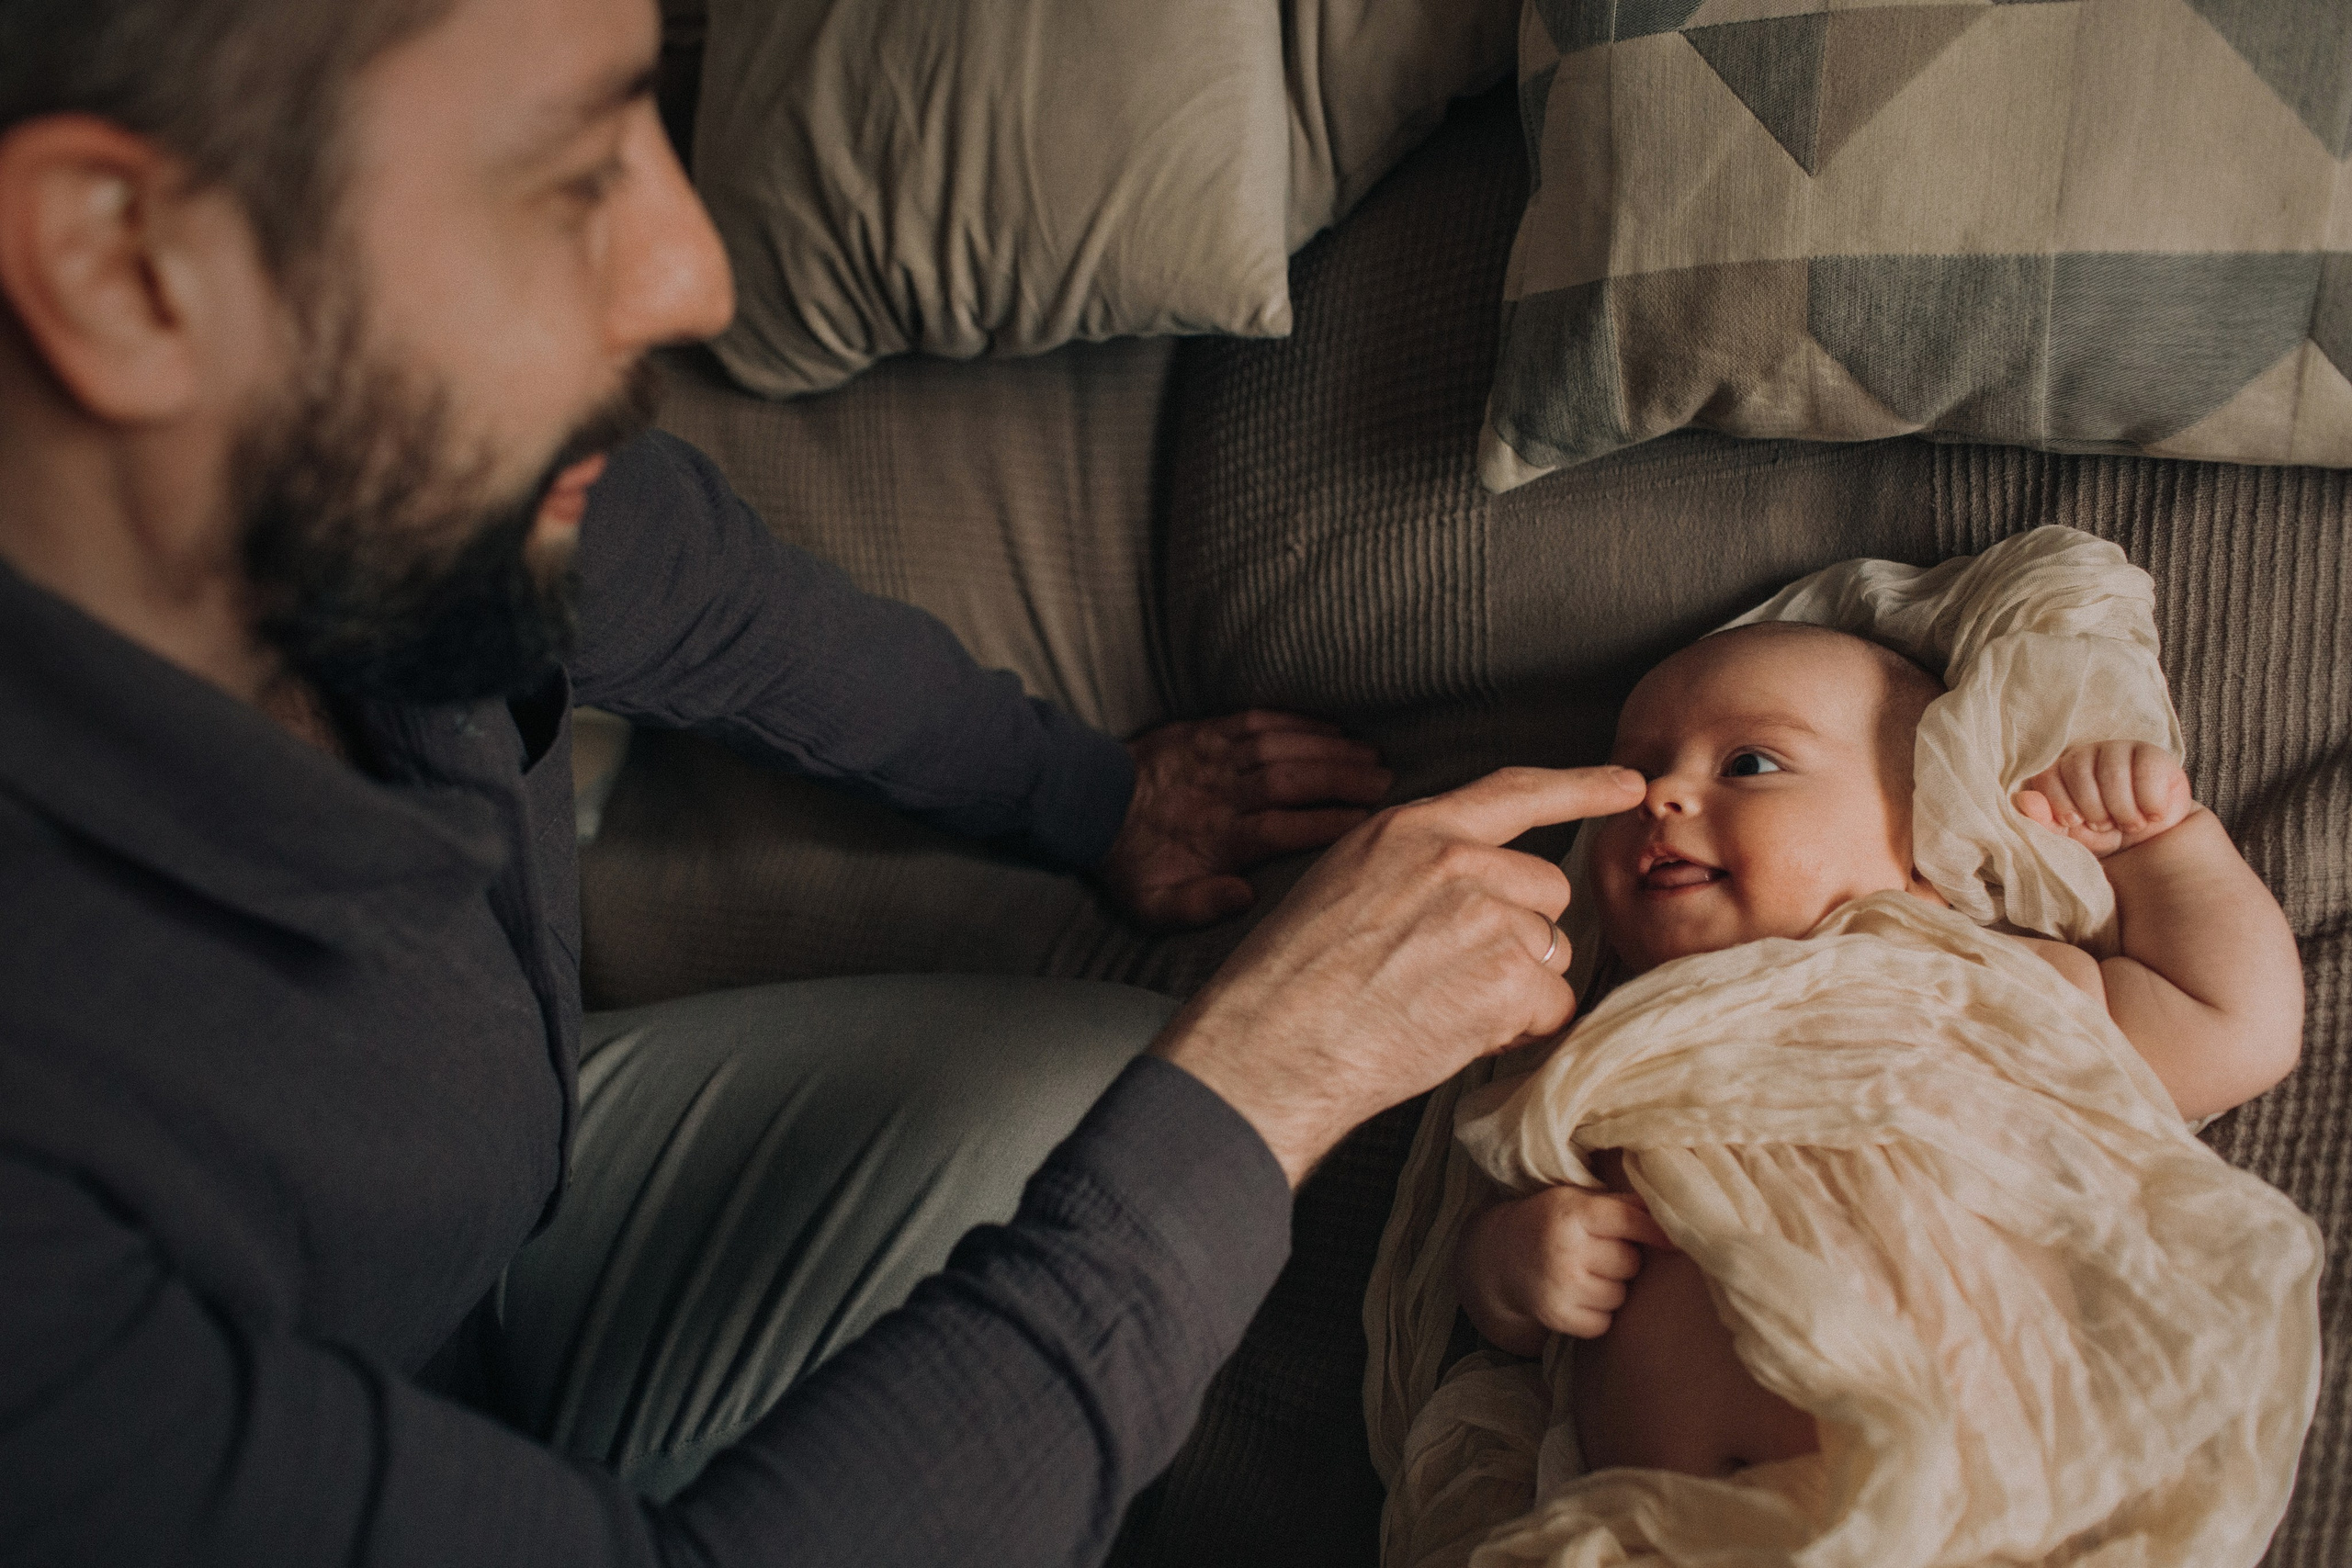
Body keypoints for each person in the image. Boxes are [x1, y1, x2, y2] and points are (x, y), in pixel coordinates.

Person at [0, 1, 1650, 1563]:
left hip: (474, 1226)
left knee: (1101, 1096)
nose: (691, 273)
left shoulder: (390, 490)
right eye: (573, 177)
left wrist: (1088, 798)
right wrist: (1271, 1081)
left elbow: (692, 590)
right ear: (125, 265)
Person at [1452, 622, 2304, 1478]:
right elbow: (1489, 1270)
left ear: (1923, 840)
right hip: (1651, 1528)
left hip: (1953, 1499)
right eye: (1632, 779)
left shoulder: (1974, 981)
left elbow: (2234, 1025)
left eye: (1748, 763)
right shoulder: (1599, 1045)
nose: (1661, 794)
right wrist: (1516, 1261)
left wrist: (2163, 841)